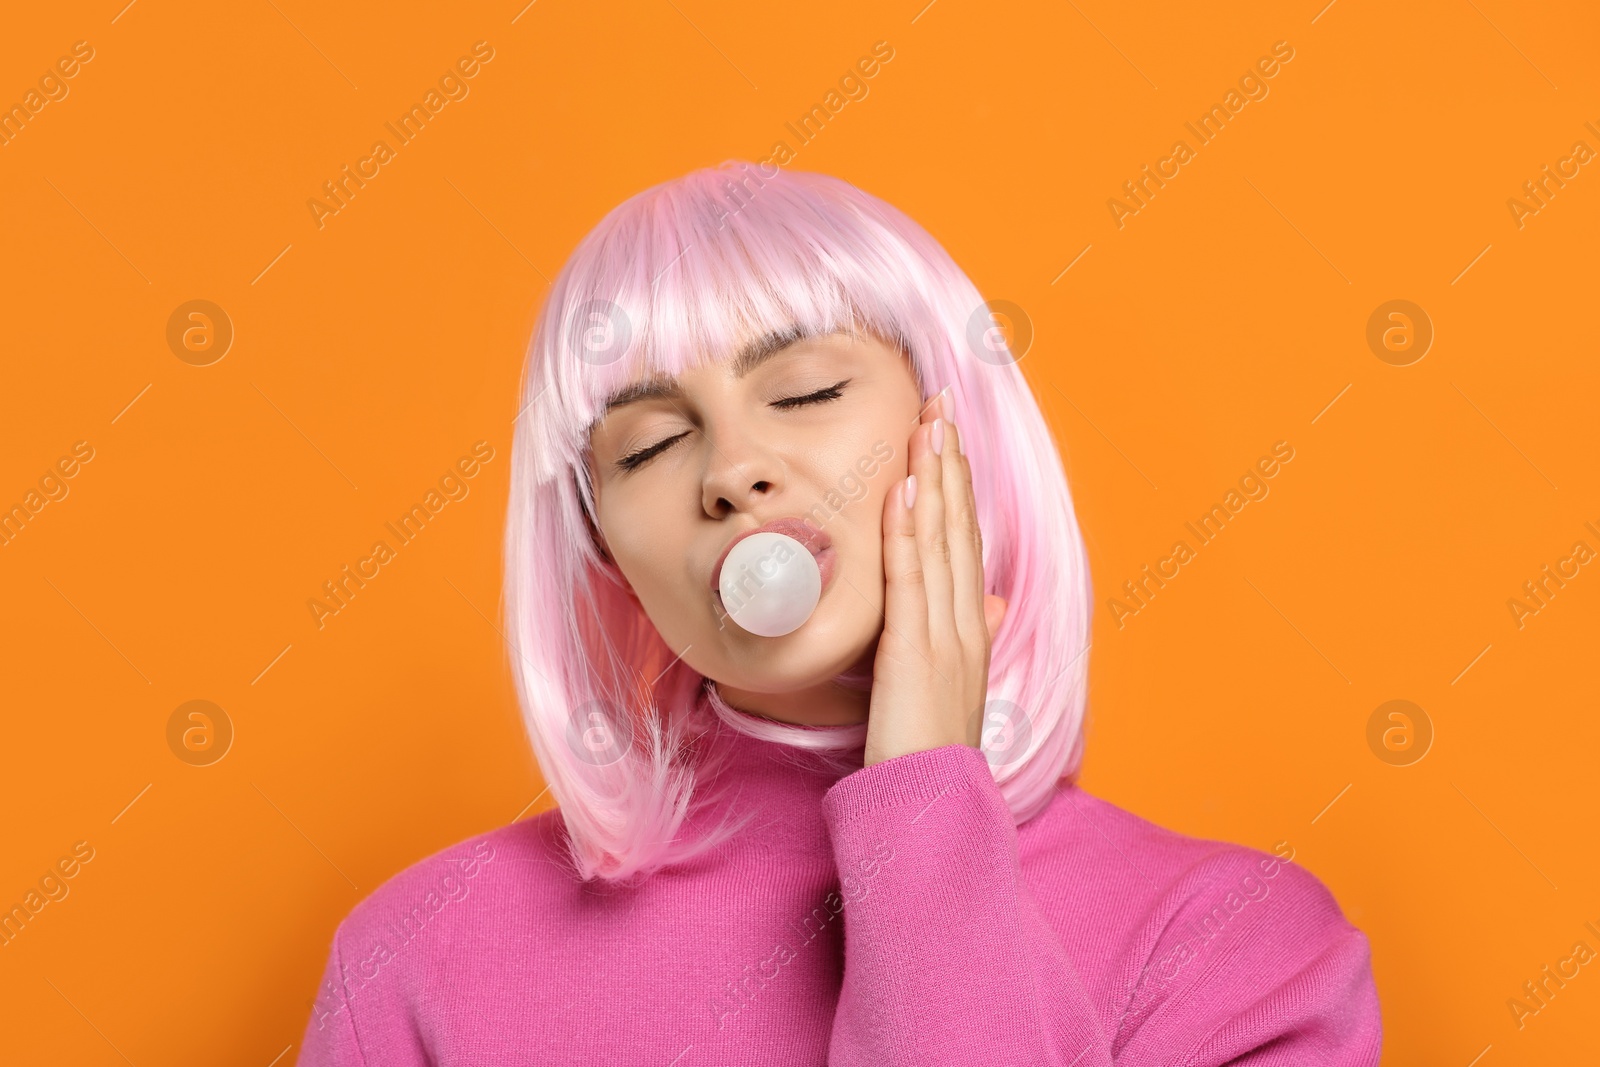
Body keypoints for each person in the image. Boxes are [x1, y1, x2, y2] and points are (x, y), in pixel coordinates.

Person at [295, 160, 1382, 1065]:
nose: (733, 471)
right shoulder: (419, 959)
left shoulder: (1235, 951)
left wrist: (918, 810)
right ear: (607, 555)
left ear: (955, 429)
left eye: (807, 391)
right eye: (651, 444)